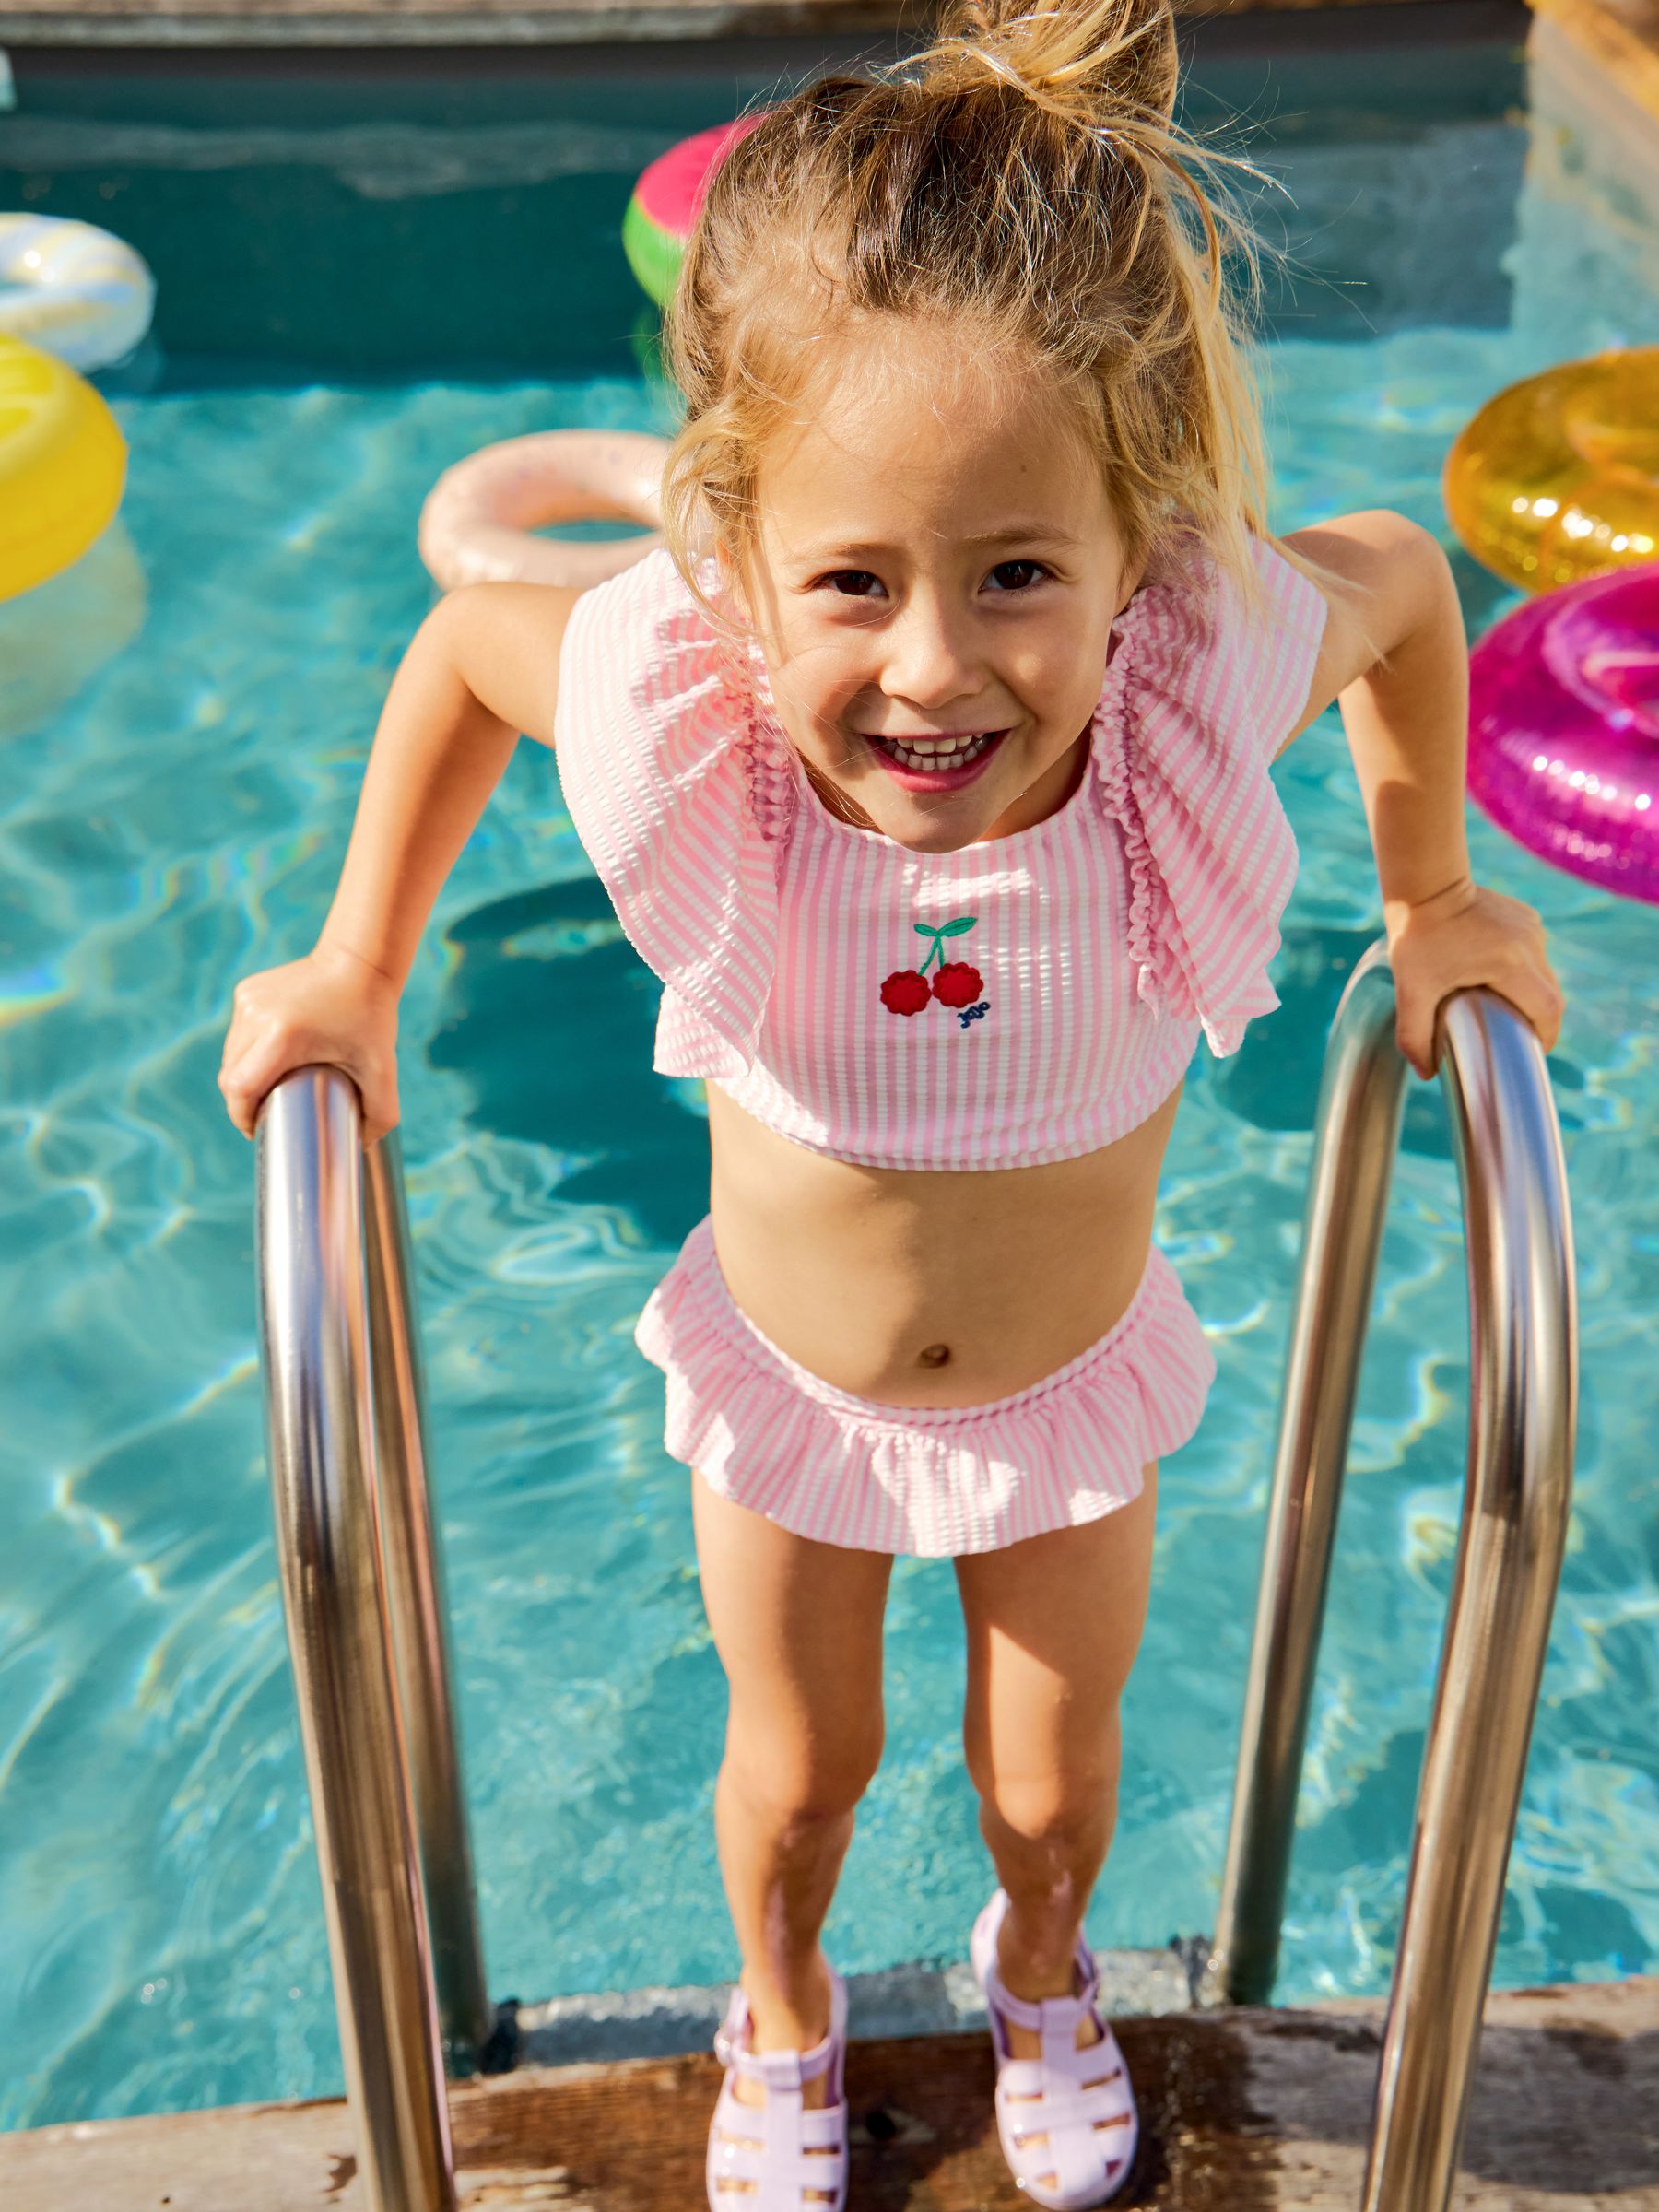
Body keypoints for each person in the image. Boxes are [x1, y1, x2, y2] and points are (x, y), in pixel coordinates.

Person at [218, 1, 1565, 2203]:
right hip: (790, 1390)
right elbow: (470, 648)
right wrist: (359, 966)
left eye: (1020, 572)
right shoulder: (693, 712)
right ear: (744, 563)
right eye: (856, 581)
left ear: (1131, 544)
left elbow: (1411, 585)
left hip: (1070, 1389)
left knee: (1053, 1784)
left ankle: (1045, 1977)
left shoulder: (1193, 675)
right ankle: (786, 2016)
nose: (936, 668)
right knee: (802, 1767)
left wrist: (1433, 900)